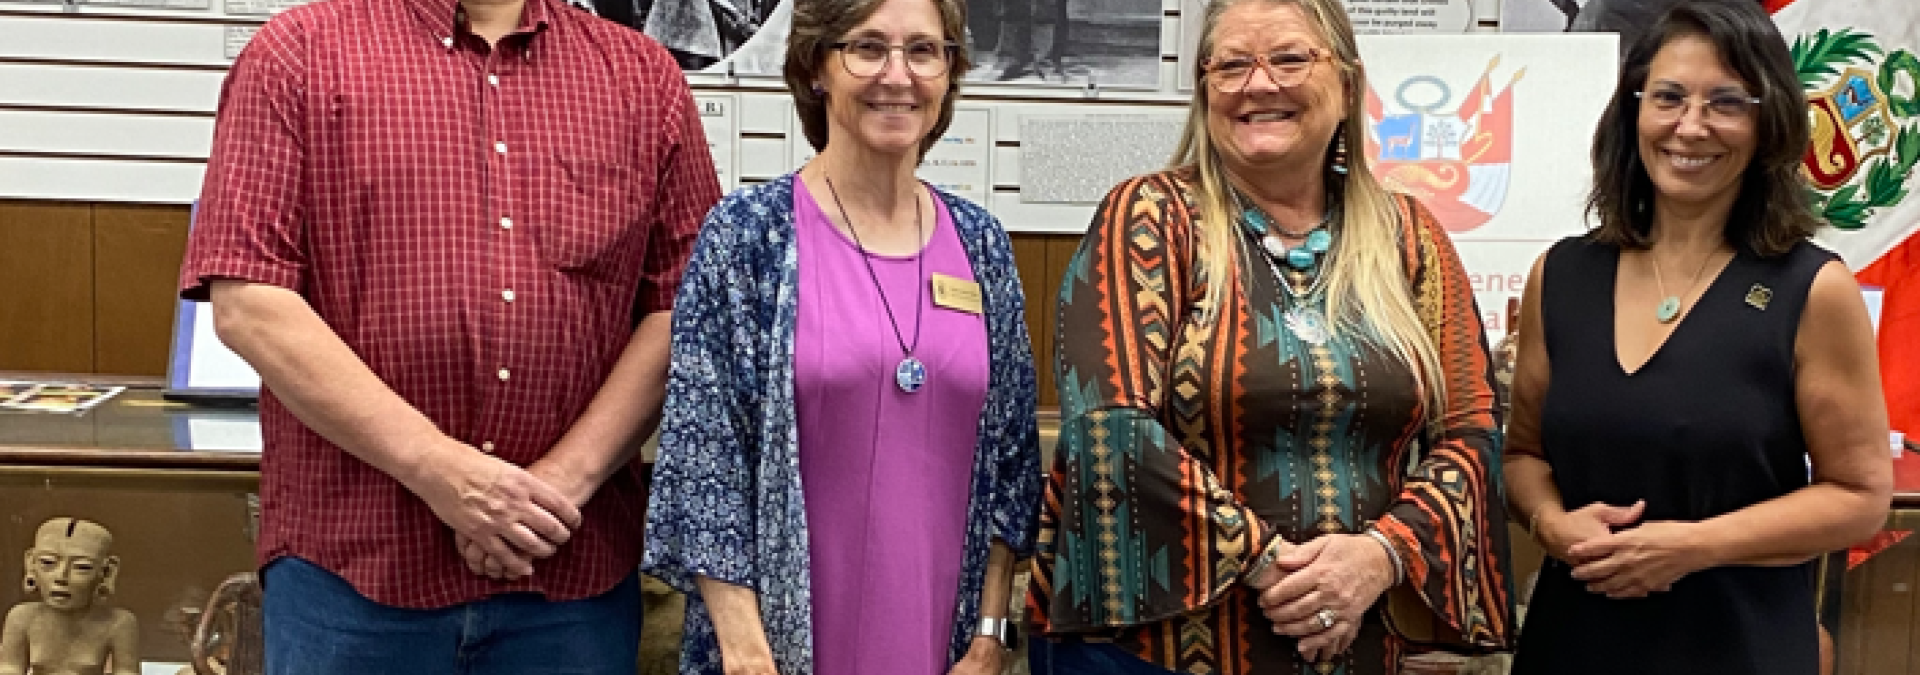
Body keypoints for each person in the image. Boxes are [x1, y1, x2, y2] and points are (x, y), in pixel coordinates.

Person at [177, 0, 722, 670]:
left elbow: (685, 307)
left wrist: (551, 489)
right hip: (353, 576)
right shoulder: (298, 53)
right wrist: (441, 472)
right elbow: (249, 299)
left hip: (569, 583)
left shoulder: (643, 78)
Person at [1023, 0, 1514, 672]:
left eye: (1289, 58)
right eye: (1230, 65)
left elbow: (1471, 433)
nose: (1259, 84)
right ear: (1203, 92)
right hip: (1158, 649)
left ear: (1346, 84)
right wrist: (1279, 569)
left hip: (1360, 641)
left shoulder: (1411, 237)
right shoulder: (1149, 218)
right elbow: (1110, 429)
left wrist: (1379, 556)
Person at [640, 0, 1042, 671]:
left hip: (945, 649)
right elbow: (705, 458)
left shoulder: (982, 246)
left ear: (948, 72)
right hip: (780, 652)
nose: (898, 74)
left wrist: (991, 633)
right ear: (816, 66)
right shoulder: (748, 237)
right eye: (867, 47)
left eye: (923, 50)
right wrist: (746, 655)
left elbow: (1009, 460)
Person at [1503, 2, 1894, 674]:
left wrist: (1691, 545)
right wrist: (1550, 523)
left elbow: (1860, 498)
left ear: (1768, 122)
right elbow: (1522, 457)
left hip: (1738, 644)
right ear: (1632, 110)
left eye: (1725, 102)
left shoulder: (1813, 288)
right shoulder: (1561, 275)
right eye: (1669, 97)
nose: (1691, 125)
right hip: (1574, 642)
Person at [0, 518, 139, 675]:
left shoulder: (119, 623)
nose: (61, 577)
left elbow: (126, 672)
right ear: (31, 564)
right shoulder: (22, 617)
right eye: (48, 562)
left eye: (82, 567)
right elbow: (9, 669)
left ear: (107, 572)